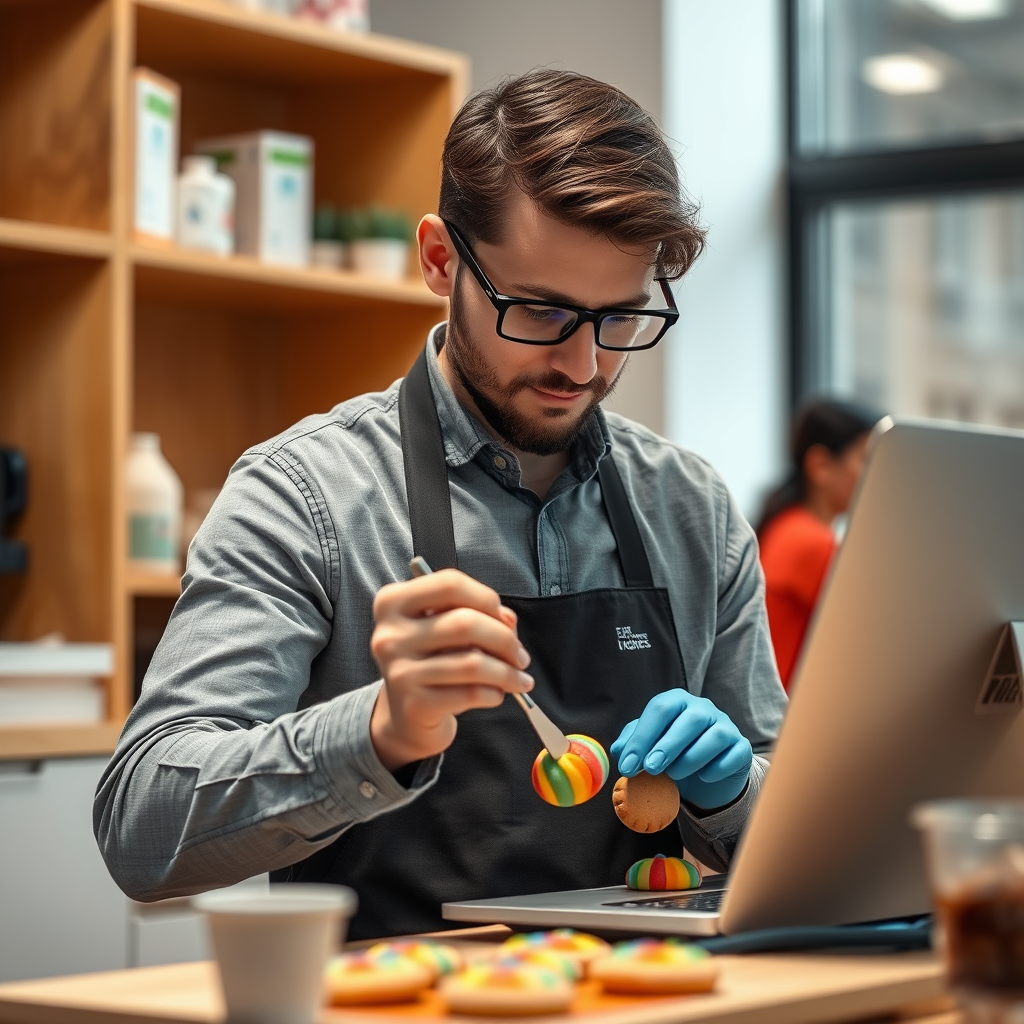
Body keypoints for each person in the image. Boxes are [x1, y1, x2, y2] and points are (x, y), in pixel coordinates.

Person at [94, 69, 787, 940]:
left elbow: (802, 839)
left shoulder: (691, 509)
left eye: (620, 318)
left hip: (651, 996)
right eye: (539, 312)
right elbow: (140, 825)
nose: (582, 367)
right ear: (440, 260)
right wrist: (381, 730)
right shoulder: (306, 497)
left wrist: (735, 795)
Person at [756, 399, 880, 690]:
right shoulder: (811, 543)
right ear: (821, 465)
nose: (877, 472)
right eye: (867, 459)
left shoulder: (785, 525)